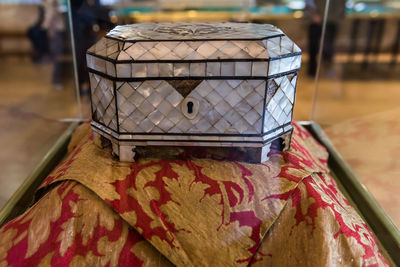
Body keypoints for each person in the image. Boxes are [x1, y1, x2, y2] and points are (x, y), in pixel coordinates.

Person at [305, 0, 346, 77]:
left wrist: (339, 14)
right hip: (315, 20)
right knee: (313, 48)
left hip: (332, 19)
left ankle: (327, 69)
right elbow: (309, 2)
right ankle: (312, 71)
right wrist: (313, 14)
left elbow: (342, 3)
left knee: (329, 47)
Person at [42, 0, 66, 90]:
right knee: (56, 56)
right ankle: (56, 80)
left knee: (56, 56)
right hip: (54, 31)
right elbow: (50, 14)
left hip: (55, 30)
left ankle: (56, 79)